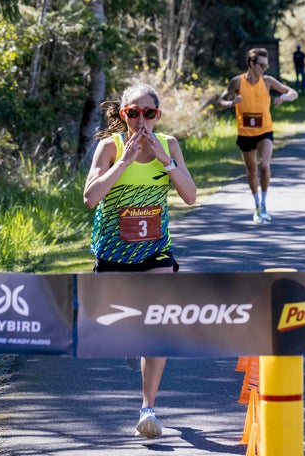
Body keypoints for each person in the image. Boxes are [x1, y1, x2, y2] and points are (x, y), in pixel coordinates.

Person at [83, 83, 197, 439]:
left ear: (157, 116)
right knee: (120, 328)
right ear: (123, 115)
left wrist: (166, 162)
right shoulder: (109, 147)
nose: (141, 121)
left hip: (155, 250)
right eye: (133, 113)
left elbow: (190, 196)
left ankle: (148, 407)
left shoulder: (169, 146)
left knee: (156, 324)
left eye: (149, 113)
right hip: (113, 251)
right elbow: (90, 198)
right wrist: (125, 162)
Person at [217, 47, 298, 224]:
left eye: (266, 65)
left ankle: (264, 203)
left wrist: (283, 98)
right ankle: (257, 205)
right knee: (252, 170)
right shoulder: (237, 82)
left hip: (264, 131)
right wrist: (231, 102)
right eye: (261, 65)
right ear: (251, 64)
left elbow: (293, 93)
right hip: (245, 133)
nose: (264, 68)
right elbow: (220, 101)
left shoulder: (268, 81)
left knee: (265, 165)